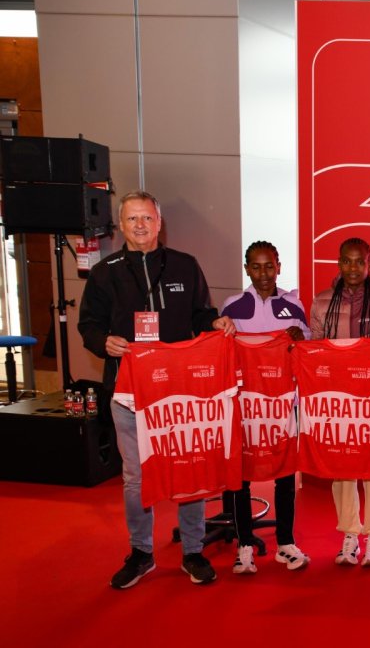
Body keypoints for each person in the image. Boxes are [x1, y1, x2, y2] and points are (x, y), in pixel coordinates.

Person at [78, 190, 235, 588]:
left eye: (147, 218)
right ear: (121, 225)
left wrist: (215, 323)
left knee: (188, 464)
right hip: (128, 392)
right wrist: (102, 342)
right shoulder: (105, 272)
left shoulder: (185, 265)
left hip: (181, 390)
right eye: (132, 219)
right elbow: (88, 325)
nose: (140, 225)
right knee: (135, 477)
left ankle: (193, 550)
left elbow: (202, 315)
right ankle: (141, 552)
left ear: (159, 223)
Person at [308, 237, 370, 567]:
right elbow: (316, 349)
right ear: (339, 263)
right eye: (346, 261)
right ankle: (349, 532)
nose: (352, 267)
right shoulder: (322, 301)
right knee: (342, 467)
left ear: (369, 264)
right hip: (338, 402)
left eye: (359, 261)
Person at [218, 241, 311, 575]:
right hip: (245, 403)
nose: (263, 274)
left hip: (283, 402)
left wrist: (299, 336)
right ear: (247, 269)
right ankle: (244, 544)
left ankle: (286, 541)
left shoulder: (293, 304)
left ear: (279, 266)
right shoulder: (232, 306)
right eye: (256, 267)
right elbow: (223, 352)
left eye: (269, 266)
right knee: (241, 473)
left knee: (285, 471)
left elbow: (306, 346)